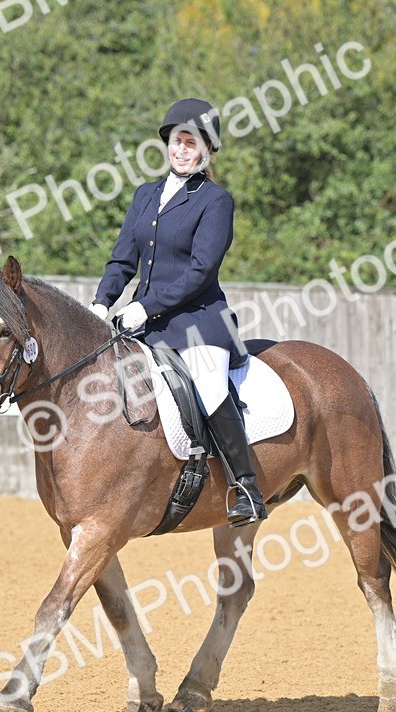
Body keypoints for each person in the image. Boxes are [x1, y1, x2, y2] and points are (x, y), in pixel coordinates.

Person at [90, 98, 266, 527]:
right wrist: (102, 302)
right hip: (144, 326)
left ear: (207, 149)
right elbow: (122, 260)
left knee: (208, 386)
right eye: (176, 141)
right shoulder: (145, 195)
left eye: (191, 143)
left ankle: (246, 486)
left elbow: (201, 271)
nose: (181, 150)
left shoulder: (215, 201)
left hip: (198, 323)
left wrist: (144, 307)